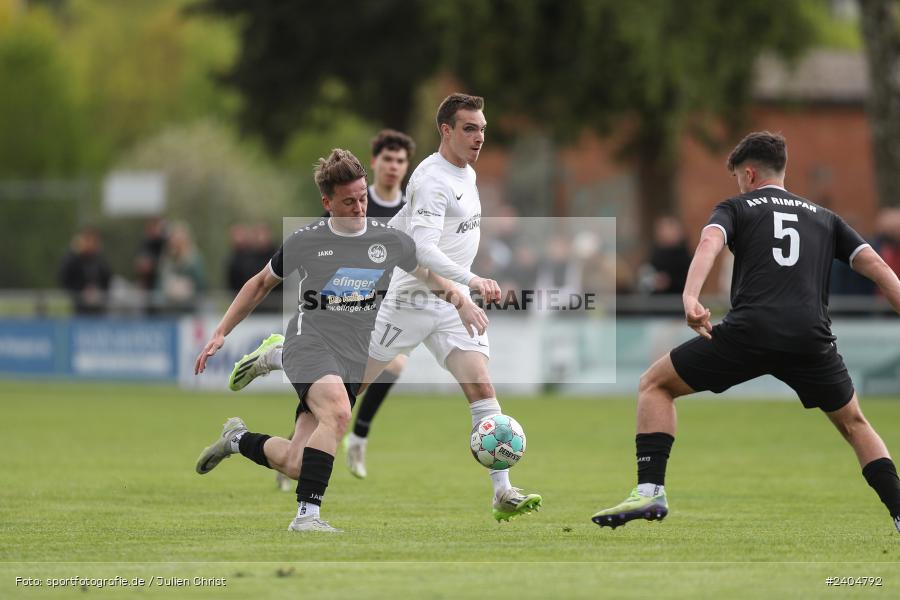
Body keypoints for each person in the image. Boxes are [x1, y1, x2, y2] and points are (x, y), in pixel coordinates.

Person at [232, 95, 543, 522]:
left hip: (449, 300)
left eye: (483, 129)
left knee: (482, 388)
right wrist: (472, 282)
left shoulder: (467, 174)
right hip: (405, 297)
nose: (480, 137)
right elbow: (424, 250)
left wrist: (461, 295)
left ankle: (502, 492)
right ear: (446, 131)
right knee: (348, 391)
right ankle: (279, 356)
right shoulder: (432, 181)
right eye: (470, 129)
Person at [592, 132, 900, 533]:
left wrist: (690, 297)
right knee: (855, 424)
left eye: (738, 176)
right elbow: (879, 269)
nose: (738, 184)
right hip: (810, 338)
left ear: (750, 174)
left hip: (751, 332)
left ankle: (650, 490)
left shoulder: (736, 207)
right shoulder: (825, 218)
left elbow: (709, 241)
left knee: (655, 384)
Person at [193, 148, 490, 533]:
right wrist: (221, 331)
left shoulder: (389, 240)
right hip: (310, 342)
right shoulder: (307, 240)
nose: (359, 208)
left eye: (363, 198)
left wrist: (462, 302)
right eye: (349, 202)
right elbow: (260, 283)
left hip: (352, 357)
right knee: (338, 412)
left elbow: (429, 276)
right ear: (327, 203)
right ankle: (307, 517)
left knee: (298, 463)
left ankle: (236, 438)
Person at [230, 130, 417, 481]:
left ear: (407, 167)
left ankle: (280, 429)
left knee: (358, 388)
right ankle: (344, 441)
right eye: (388, 159)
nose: (394, 166)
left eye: (400, 160)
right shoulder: (348, 200)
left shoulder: (410, 208)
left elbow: (424, 255)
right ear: (376, 163)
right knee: (351, 393)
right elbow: (315, 253)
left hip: (381, 310)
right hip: (334, 321)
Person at [58, 226, 112, 315]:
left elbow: (107, 279)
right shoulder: (73, 259)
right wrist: (80, 292)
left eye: (94, 241)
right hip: (79, 306)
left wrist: (98, 292)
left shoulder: (100, 260)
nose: (90, 244)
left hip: (98, 307)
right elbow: (64, 277)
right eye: (88, 240)